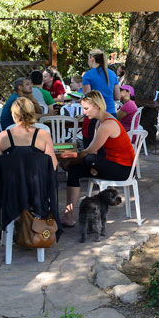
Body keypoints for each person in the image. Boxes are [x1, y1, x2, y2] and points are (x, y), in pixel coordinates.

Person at [61, 91, 136, 227]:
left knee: (88, 159)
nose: (84, 113)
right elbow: (97, 151)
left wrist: (69, 158)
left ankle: (71, 214)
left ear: (97, 106)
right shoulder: (100, 123)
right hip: (111, 163)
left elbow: (90, 151)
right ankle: (68, 215)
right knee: (75, 169)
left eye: (86, 108)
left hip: (124, 168)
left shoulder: (107, 125)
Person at [0, 97, 57, 170]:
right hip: (38, 180)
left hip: (11, 180)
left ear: (13, 115)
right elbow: (53, 165)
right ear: (33, 113)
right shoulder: (44, 135)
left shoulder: (2, 137)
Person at [82, 49, 120, 114]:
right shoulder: (112, 74)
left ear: (92, 59)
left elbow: (87, 97)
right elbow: (117, 97)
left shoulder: (88, 75)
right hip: (110, 113)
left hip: (94, 114)